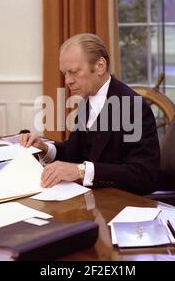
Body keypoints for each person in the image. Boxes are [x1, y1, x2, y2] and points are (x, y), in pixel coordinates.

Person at [20, 33, 160, 195]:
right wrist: (46, 149)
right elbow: (79, 150)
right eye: (65, 73)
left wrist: (82, 171)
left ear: (100, 66)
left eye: (74, 72)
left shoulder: (133, 106)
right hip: (90, 200)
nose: (67, 81)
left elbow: (144, 175)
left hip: (118, 206)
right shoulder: (88, 100)